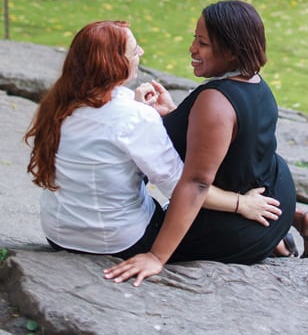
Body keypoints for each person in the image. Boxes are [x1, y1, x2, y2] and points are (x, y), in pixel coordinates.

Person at [104, 0, 308, 285]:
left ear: (232, 51)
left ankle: (272, 239)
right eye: (194, 39)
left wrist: (156, 257)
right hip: (276, 198)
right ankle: (289, 226)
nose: (192, 49)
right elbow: (221, 144)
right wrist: (173, 115)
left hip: (239, 227)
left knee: (145, 230)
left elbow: (196, 184)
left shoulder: (215, 101)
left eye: (203, 43)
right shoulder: (254, 82)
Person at [24, 20, 281, 258]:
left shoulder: (59, 104)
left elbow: (106, 134)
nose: (142, 53)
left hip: (58, 234)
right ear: (115, 64)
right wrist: (242, 203)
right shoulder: (135, 117)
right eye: (134, 51)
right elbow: (181, 187)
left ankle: (282, 235)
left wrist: (146, 111)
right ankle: (276, 241)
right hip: (119, 241)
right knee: (200, 218)